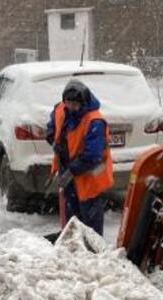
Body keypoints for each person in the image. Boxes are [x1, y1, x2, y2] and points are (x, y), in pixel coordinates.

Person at [46, 79, 114, 236]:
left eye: (75, 105)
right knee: (71, 221)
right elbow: (53, 123)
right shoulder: (61, 109)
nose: (71, 108)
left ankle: (93, 255)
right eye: (68, 103)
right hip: (70, 174)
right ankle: (73, 249)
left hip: (91, 178)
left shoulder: (94, 121)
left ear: (83, 102)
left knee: (90, 227)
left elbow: (93, 155)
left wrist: (71, 171)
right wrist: (52, 136)